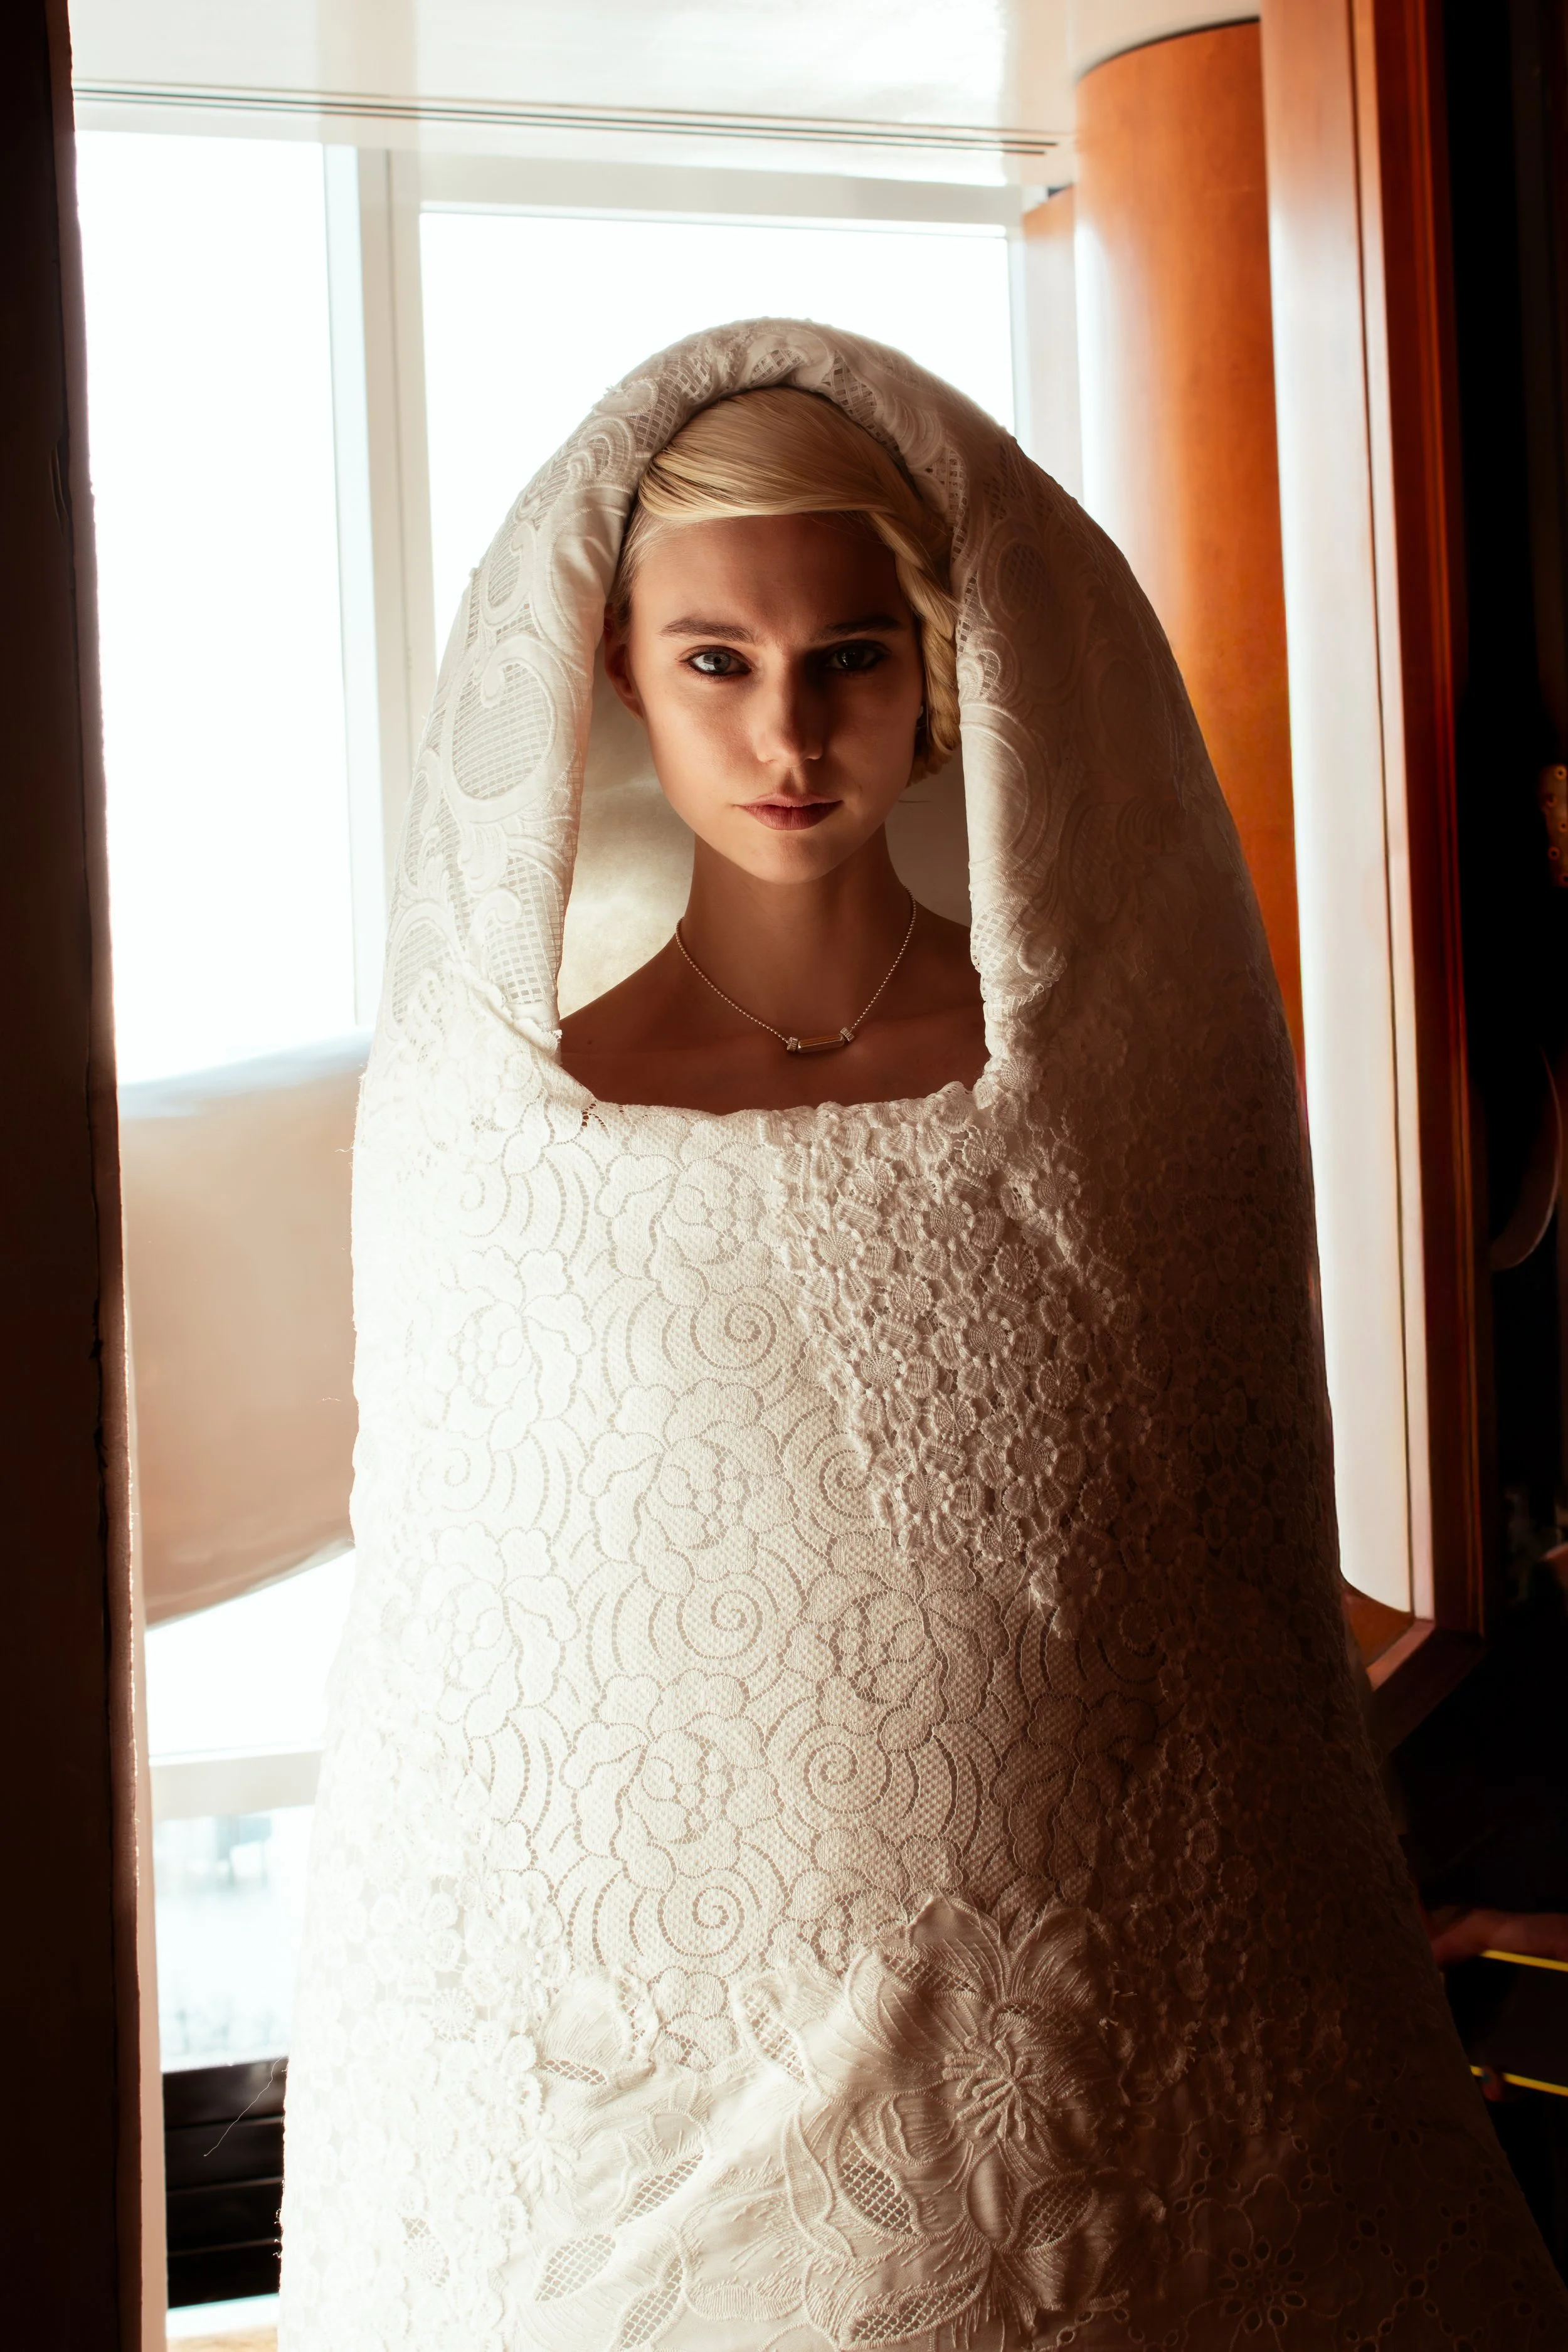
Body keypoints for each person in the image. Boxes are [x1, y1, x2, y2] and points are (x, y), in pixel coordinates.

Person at [280, 325, 1568, 2349]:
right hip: (656, 2088)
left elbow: (1207, 1573)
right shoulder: (506, 1134)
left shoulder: (1118, 1089)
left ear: (944, 669)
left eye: (849, 656)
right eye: (716, 659)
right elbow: (477, 1656)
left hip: (1097, 2063)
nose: (787, 727)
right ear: (617, 670)